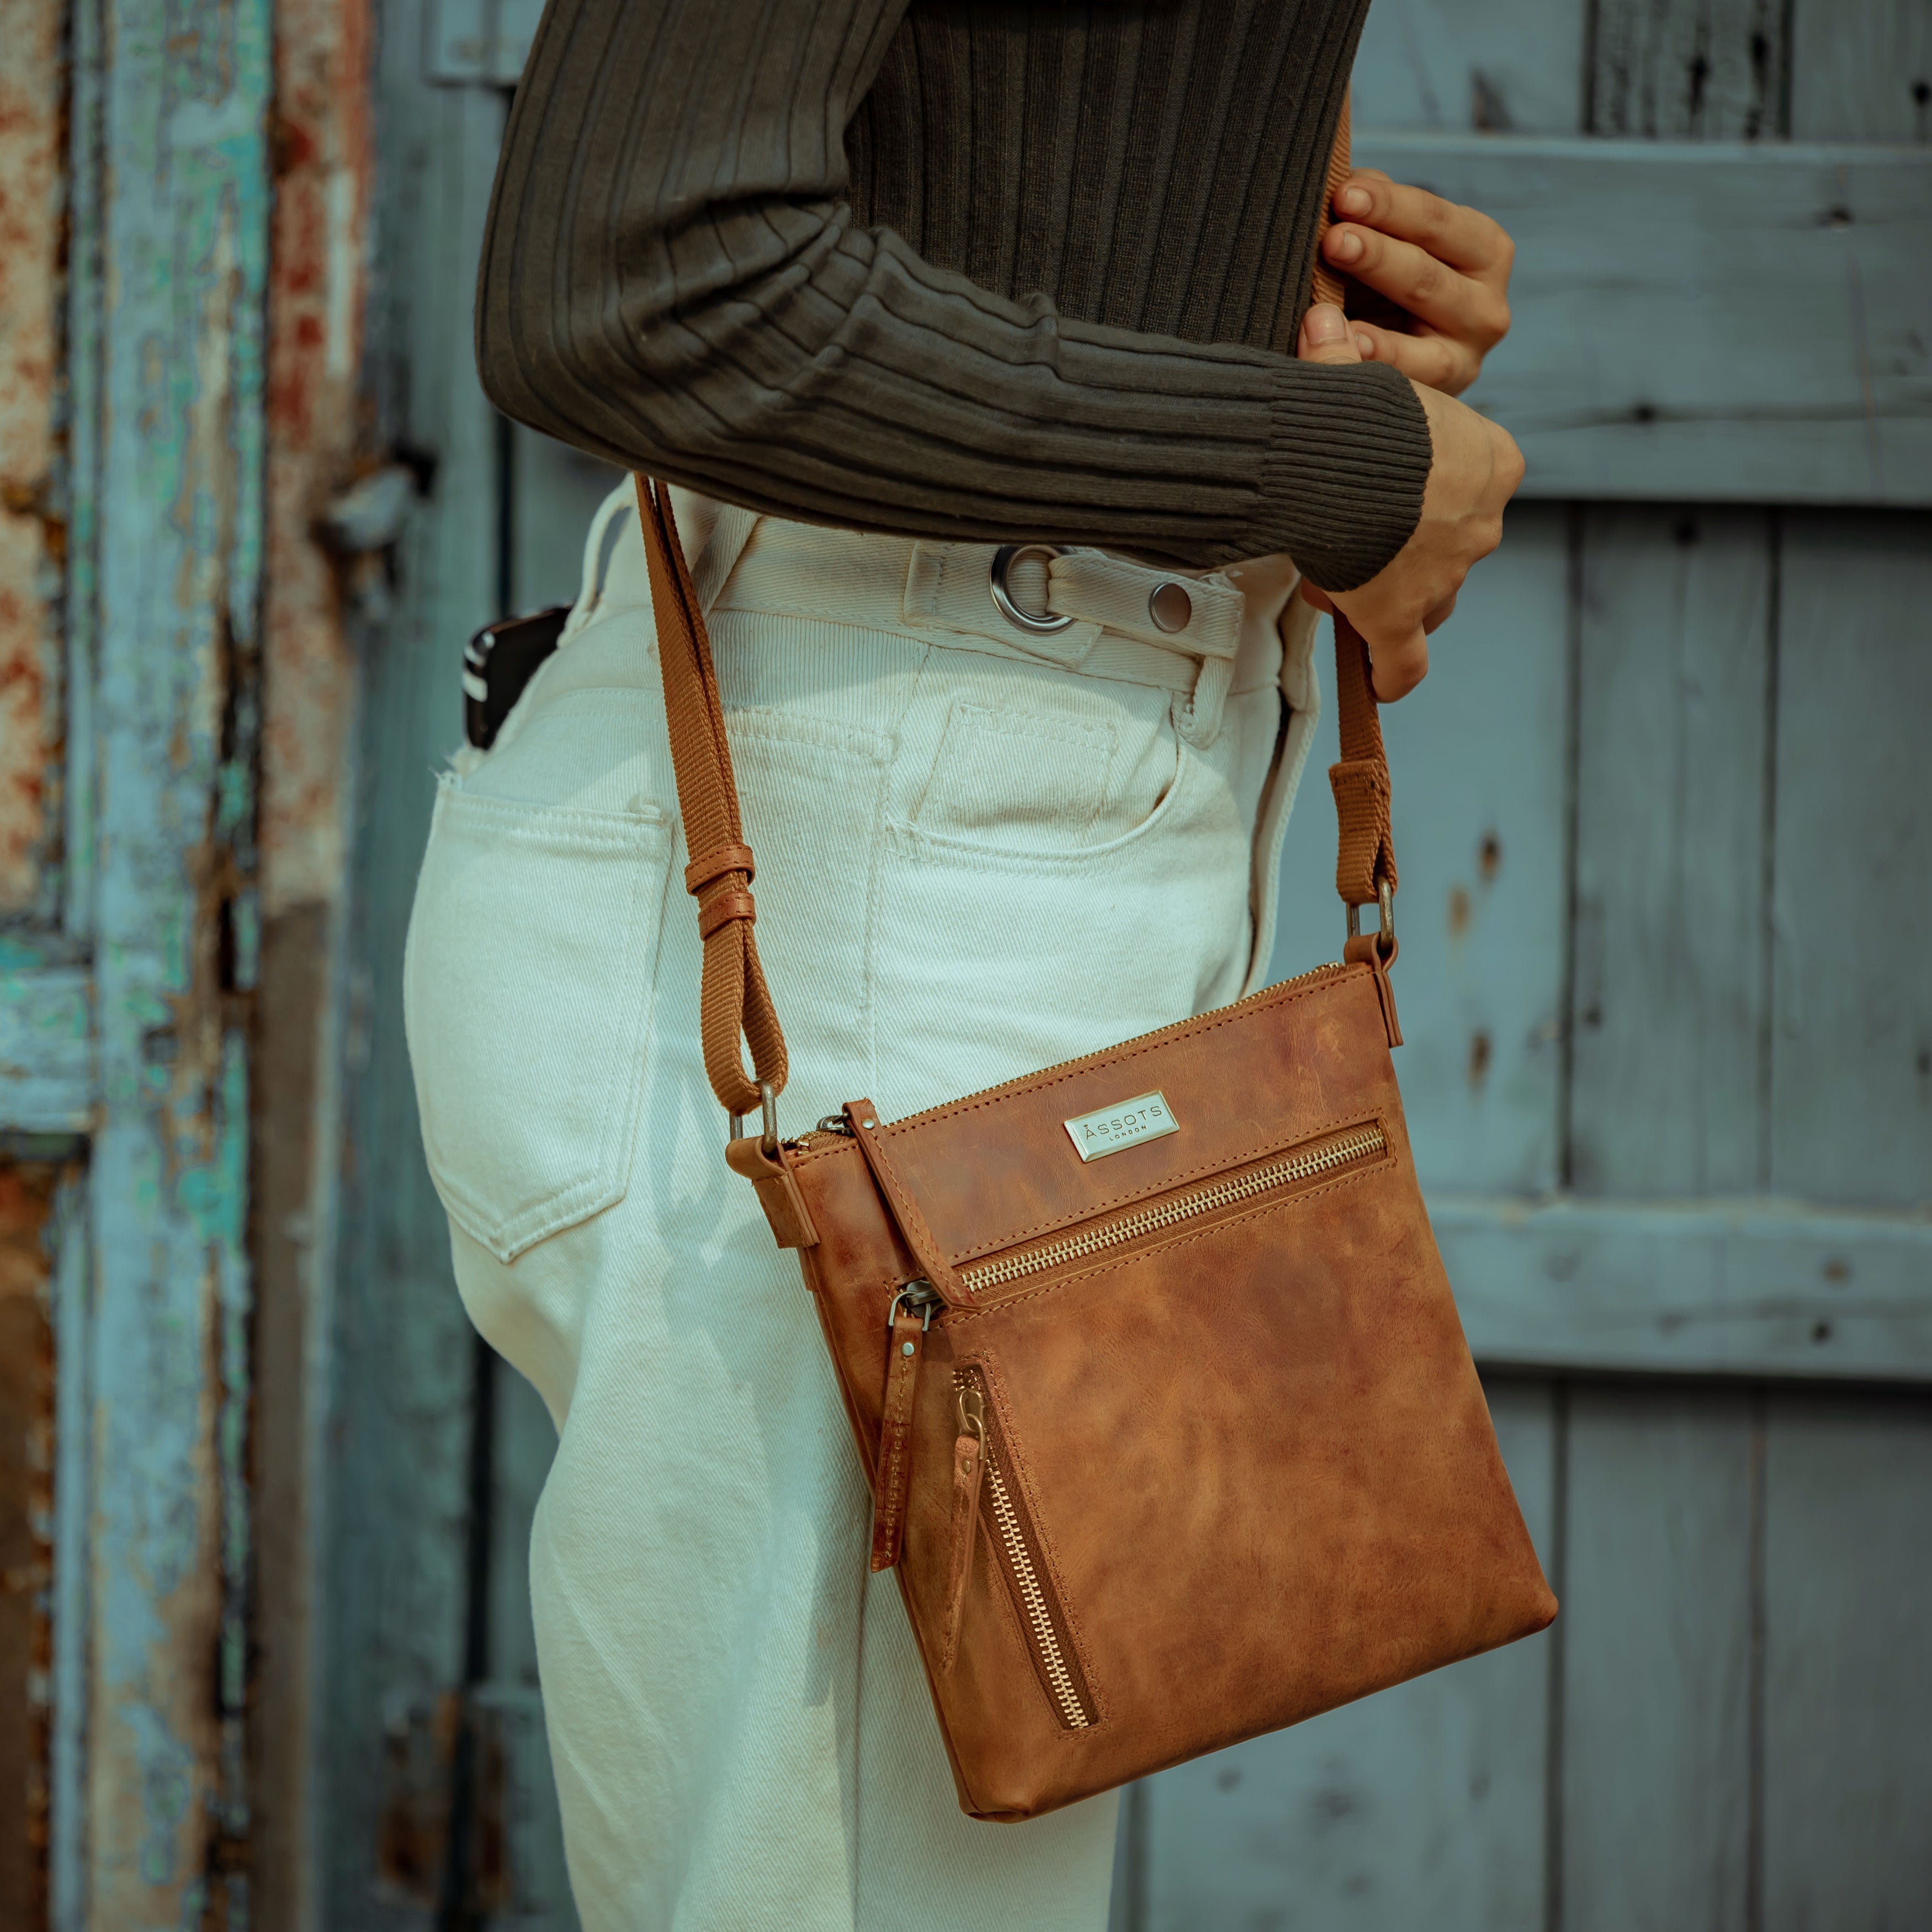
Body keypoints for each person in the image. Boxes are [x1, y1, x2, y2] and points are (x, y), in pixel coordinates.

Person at [404, 3, 1521, 1926]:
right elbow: (636, 278)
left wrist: (1321, 336)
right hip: (859, 877)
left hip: (941, 837)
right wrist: (1318, 460)